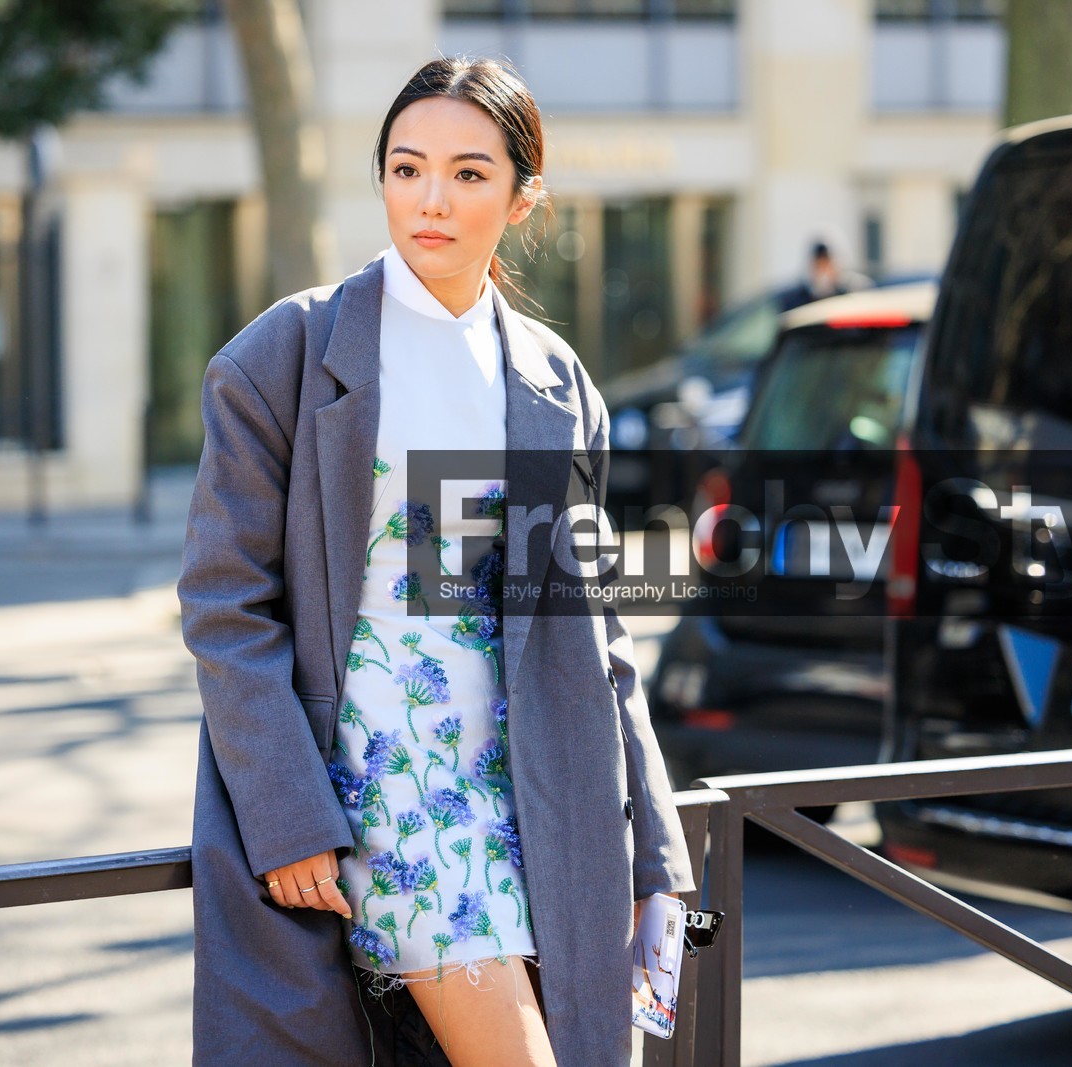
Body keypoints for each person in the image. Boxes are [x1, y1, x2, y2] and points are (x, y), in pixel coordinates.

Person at [176, 56, 695, 1067]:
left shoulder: (554, 379)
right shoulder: (283, 356)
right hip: (385, 786)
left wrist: (656, 855)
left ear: (522, 196)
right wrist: (286, 813)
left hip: (542, 785)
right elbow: (224, 603)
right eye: (407, 168)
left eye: (467, 173)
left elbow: (598, 631)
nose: (431, 200)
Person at [777, 238, 871, 313]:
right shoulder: (795, 299)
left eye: (826, 265)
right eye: (818, 265)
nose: (823, 271)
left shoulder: (853, 291)